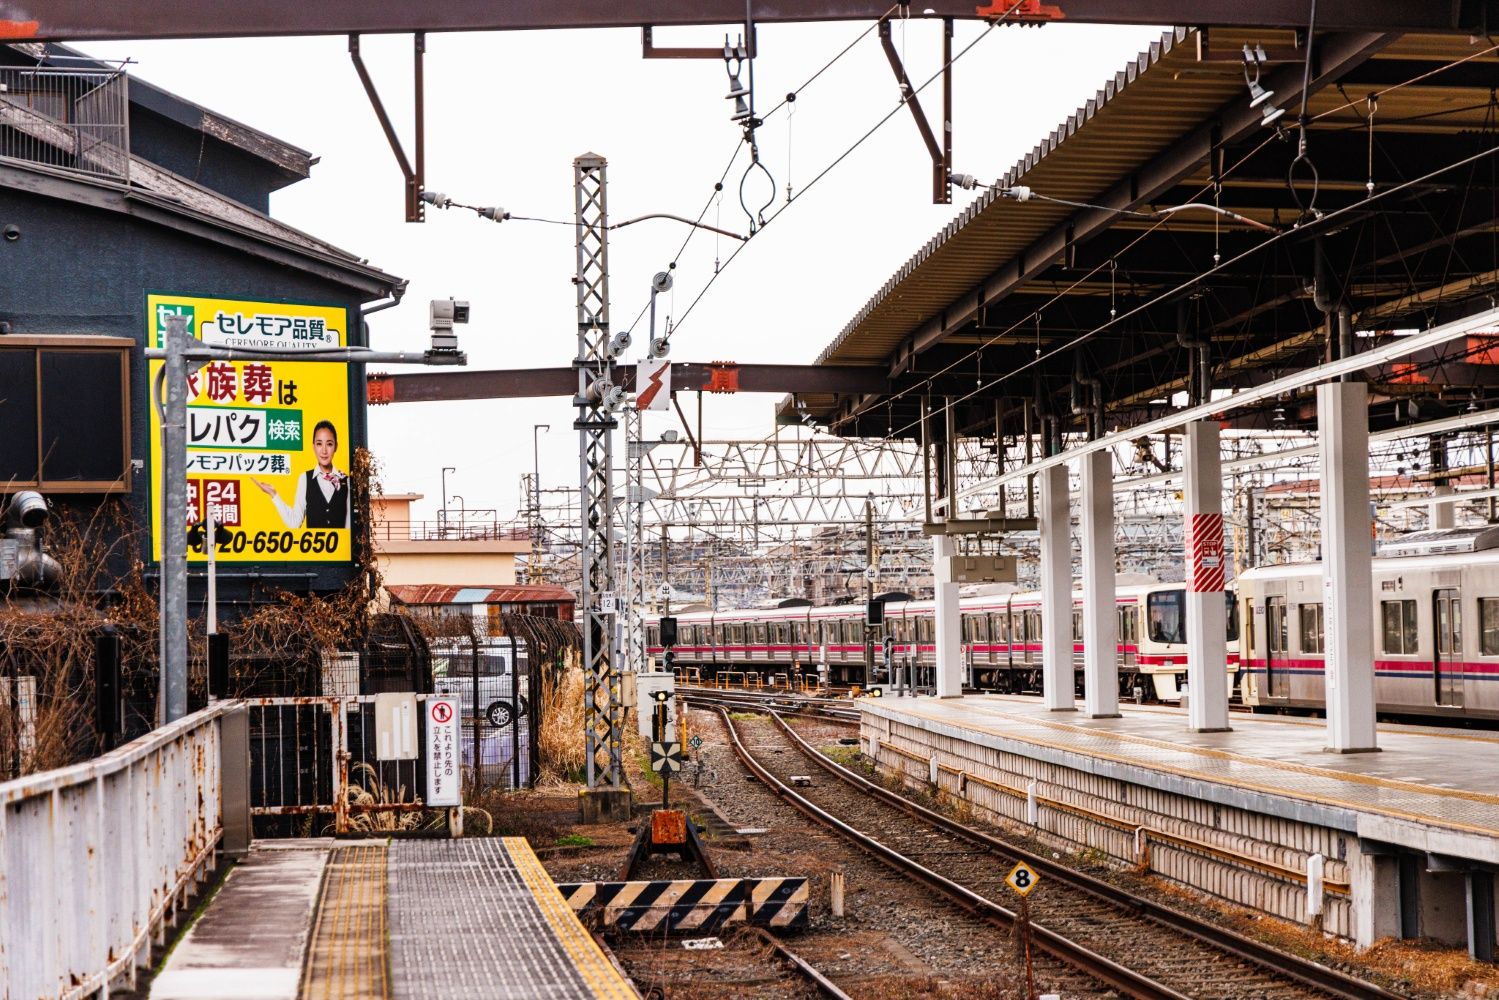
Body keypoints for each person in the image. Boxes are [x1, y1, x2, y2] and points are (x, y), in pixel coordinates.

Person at [252, 419, 349, 529]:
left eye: (329, 444)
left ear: (336, 446)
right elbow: (294, 523)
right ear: (313, 447)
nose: (324, 450)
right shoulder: (305, 479)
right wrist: (274, 495)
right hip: (313, 546)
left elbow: (349, 527)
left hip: (342, 546)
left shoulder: (346, 481)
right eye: (319, 444)